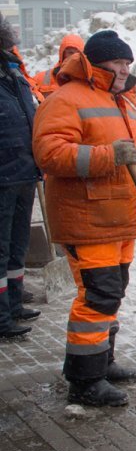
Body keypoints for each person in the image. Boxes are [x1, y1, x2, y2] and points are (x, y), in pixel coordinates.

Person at [32, 30, 136, 406]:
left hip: (120, 217)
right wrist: (106, 156)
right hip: (89, 218)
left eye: (128, 62)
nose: (125, 69)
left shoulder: (123, 100)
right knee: (97, 296)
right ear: (95, 63)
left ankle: (102, 361)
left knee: (111, 292)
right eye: (118, 62)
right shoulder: (67, 99)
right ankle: (85, 381)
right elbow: (49, 153)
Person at [0, 18, 41, 340]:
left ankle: (14, 304)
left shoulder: (14, 73)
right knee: (1, 249)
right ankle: (1, 317)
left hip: (24, 172)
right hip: (4, 175)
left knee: (17, 246)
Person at [31, 34, 85, 103]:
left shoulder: (87, 80)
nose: (74, 56)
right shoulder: (41, 78)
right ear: (62, 54)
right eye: (70, 52)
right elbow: (30, 93)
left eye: (78, 53)